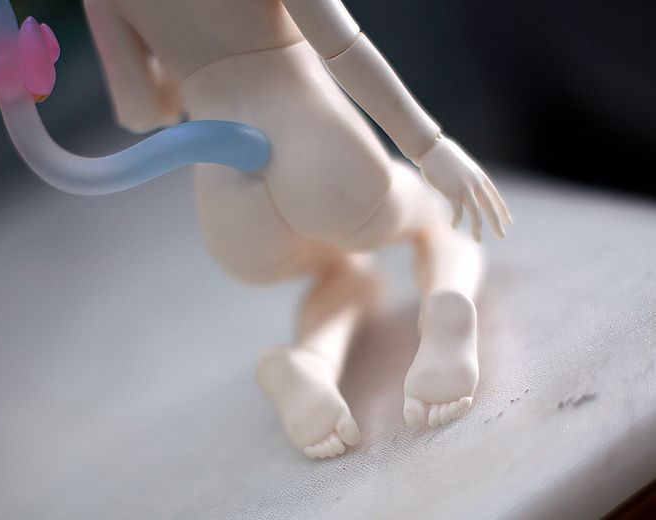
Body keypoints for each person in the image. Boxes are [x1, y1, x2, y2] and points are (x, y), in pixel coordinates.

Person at [84, 0, 511, 458]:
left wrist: (189, 68)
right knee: (433, 224)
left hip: (229, 201)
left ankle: (312, 363)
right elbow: (341, 44)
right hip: (319, 154)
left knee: (345, 274)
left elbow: (140, 110)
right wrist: (428, 147)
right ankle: (445, 305)